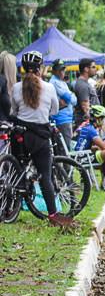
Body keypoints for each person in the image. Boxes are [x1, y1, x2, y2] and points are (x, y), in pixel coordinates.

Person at [9, 51, 72, 227]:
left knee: (17, 169)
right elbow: (54, 111)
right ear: (40, 68)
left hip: (20, 135)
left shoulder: (16, 88)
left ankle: (11, 206)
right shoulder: (49, 87)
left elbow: (14, 111)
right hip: (40, 137)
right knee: (45, 175)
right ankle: (53, 214)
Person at [72, 105, 105, 194]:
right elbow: (104, 146)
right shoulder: (91, 129)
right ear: (96, 118)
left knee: (104, 153)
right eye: (102, 119)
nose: (103, 122)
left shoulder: (85, 125)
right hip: (81, 158)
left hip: (76, 156)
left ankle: (103, 181)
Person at [48, 61, 76, 148]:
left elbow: (73, 100)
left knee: (65, 147)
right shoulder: (55, 82)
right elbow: (71, 99)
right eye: (59, 70)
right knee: (65, 149)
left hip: (65, 118)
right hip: (62, 119)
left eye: (63, 69)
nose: (62, 72)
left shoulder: (61, 82)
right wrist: (71, 96)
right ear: (54, 71)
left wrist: (71, 97)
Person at [73, 58, 99, 125]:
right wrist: (92, 122)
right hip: (86, 123)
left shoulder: (85, 83)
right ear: (86, 69)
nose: (95, 69)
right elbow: (85, 107)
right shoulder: (82, 85)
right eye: (93, 67)